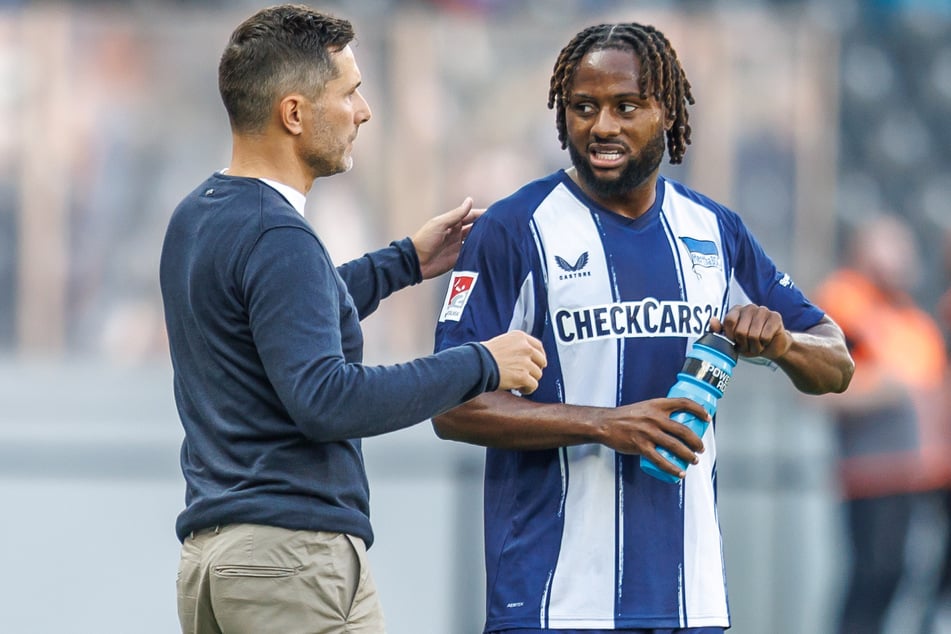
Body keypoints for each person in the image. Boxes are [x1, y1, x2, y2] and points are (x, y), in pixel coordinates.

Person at [432, 22, 854, 633]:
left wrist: (784, 345)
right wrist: (605, 424)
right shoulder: (515, 229)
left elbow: (836, 364)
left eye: (626, 106)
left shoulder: (714, 229)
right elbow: (451, 406)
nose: (602, 126)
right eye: (584, 108)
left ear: (667, 112)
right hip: (553, 597)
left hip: (691, 597)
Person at [159, 5, 547, 634]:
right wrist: (482, 363)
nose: (363, 111)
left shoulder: (198, 214)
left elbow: (286, 315)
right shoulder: (279, 235)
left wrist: (403, 263)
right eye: (350, 92)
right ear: (294, 113)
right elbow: (328, 399)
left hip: (216, 561)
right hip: (291, 563)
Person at [814, 216, 950, 634]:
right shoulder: (846, 301)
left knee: (899, 576)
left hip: (921, 467)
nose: (903, 259)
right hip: (876, 467)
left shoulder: (909, 317)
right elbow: (817, 387)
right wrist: (885, 387)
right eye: (891, 247)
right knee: (874, 577)